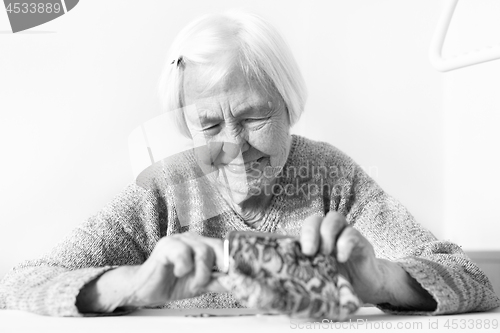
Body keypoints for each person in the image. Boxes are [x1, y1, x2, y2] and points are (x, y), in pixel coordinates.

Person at [1, 10, 499, 317]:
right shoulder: (163, 192)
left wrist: (382, 280)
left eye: (254, 116)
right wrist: (127, 284)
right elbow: (19, 283)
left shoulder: (331, 178)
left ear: (288, 106)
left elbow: (472, 279)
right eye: (210, 126)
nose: (234, 147)